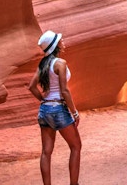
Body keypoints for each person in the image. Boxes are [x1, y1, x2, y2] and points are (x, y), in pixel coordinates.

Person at [28, 30, 81, 185]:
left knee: (46, 151)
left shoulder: (43, 64)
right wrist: (75, 112)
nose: (62, 41)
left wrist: (43, 100)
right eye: (59, 40)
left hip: (44, 111)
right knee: (76, 146)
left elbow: (31, 86)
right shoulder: (60, 64)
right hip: (59, 110)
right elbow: (64, 91)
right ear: (55, 46)